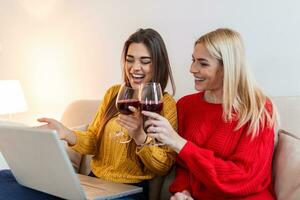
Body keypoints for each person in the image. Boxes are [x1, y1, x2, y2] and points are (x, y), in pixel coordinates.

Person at [0, 28, 177, 200]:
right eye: (130, 60)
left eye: (145, 61)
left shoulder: (164, 104)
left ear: (157, 64)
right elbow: (94, 141)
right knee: (6, 177)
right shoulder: (114, 93)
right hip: (94, 183)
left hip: (130, 190)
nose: (134, 68)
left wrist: (139, 136)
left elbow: (163, 166)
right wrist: (67, 133)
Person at [142, 28, 277, 200]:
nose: (192, 69)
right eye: (193, 60)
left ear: (227, 67)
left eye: (203, 63)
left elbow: (244, 178)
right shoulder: (186, 105)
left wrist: (180, 143)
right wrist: (183, 191)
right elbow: (185, 166)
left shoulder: (258, 109)